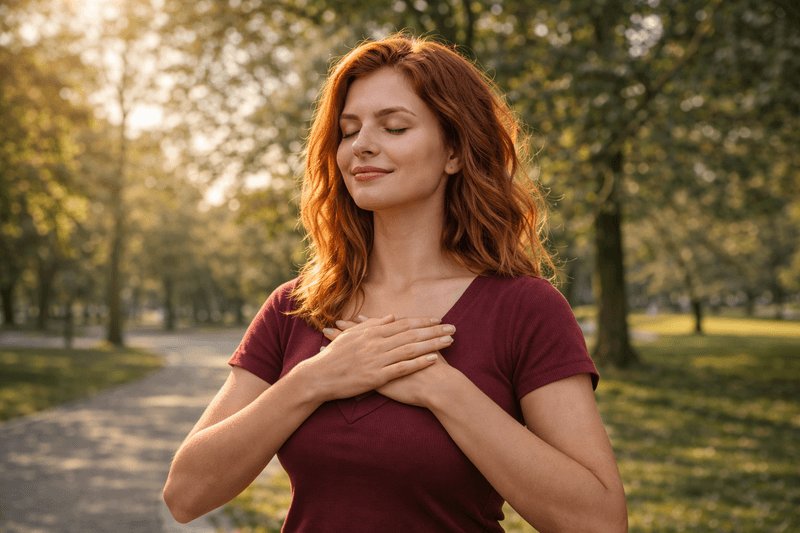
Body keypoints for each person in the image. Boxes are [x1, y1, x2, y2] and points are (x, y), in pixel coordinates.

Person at [164, 33, 628, 532]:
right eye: (349, 129)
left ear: (453, 151)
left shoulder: (524, 309)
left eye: (395, 127)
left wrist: (443, 390)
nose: (362, 144)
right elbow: (185, 495)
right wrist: (314, 380)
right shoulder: (295, 307)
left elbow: (599, 522)